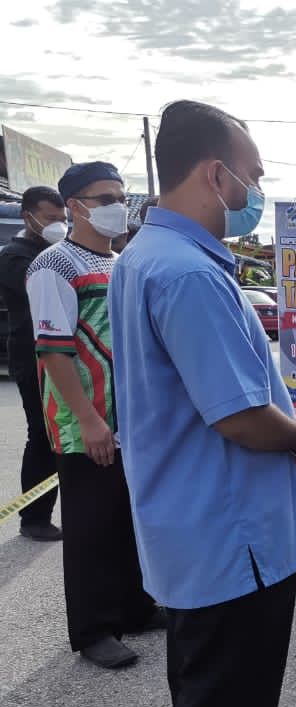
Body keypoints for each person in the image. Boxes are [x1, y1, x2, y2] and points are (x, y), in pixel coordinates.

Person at [109, 100, 296, 707]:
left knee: (207, 676)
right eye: (253, 176)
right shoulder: (190, 273)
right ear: (215, 173)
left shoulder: (150, 254)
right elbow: (239, 417)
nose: (255, 190)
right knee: (228, 680)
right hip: (227, 522)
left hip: (194, 515)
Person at [26, 162, 157, 669]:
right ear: (75, 206)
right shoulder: (54, 266)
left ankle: (134, 607)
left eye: (119, 196)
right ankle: (93, 629)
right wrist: (88, 419)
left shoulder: (119, 261)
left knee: (127, 518)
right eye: (104, 198)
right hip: (87, 423)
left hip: (131, 420)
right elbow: (54, 351)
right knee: (89, 528)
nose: (116, 206)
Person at [0, 186, 65, 541]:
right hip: (31, 357)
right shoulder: (15, 256)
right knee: (41, 436)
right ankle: (34, 517)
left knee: (58, 435)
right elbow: (41, 292)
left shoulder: (52, 251)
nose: (59, 226)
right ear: (29, 217)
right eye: (51, 219)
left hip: (60, 355)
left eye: (63, 219)